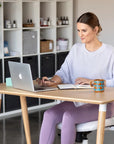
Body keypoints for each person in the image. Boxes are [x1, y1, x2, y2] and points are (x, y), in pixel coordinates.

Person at [38, 12, 114, 144]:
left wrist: (92, 82)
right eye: (78, 30)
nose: (80, 34)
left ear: (95, 30)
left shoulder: (110, 52)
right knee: (49, 114)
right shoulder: (76, 49)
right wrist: (52, 82)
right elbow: (63, 72)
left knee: (69, 116)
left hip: (103, 105)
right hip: (77, 101)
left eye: (84, 30)